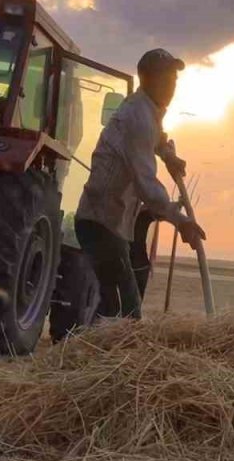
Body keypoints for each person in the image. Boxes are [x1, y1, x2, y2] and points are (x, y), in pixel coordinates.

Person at [74, 48, 206, 320]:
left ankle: (96, 352)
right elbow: (146, 184)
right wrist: (180, 220)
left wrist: (168, 154)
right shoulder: (138, 117)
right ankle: (95, 356)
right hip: (100, 221)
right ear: (148, 80)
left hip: (111, 222)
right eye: (166, 80)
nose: (172, 87)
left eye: (174, 80)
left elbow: (157, 137)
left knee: (117, 305)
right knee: (126, 309)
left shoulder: (147, 110)